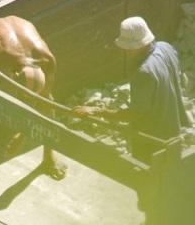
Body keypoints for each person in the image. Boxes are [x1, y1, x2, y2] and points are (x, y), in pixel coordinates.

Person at [73, 16, 189, 162]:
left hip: (151, 138)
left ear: (139, 45)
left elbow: (135, 114)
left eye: (128, 48)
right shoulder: (166, 48)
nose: (125, 51)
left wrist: (96, 111)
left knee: (145, 177)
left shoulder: (144, 73)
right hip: (173, 129)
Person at [0, 16, 65, 201]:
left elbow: (45, 102)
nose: (25, 102)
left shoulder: (49, 62)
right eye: (22, 96)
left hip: (19, 34)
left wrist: (21, 136)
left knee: (48, 102)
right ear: (12, 76)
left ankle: (49, 156)